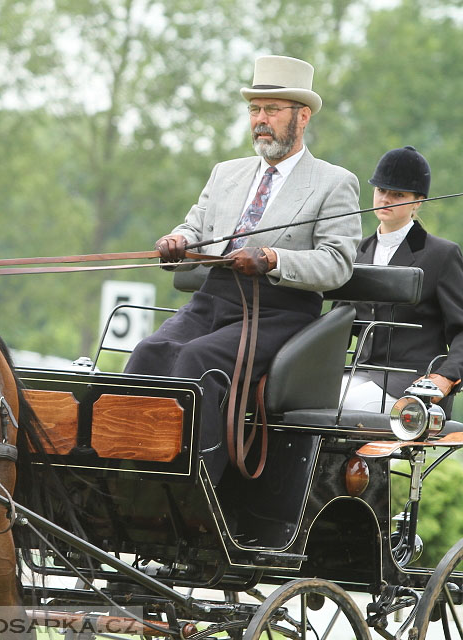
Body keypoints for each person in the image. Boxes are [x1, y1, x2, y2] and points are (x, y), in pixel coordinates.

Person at [123, 55, 362, 483]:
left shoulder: (334, 182)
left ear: (302, 116)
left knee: (198, 360)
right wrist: (175, 240)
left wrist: (273, 259)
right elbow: (194, 225)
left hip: (278, 310)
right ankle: (125, 473)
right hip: (213, 297)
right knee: (147, 355)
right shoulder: (226, 174)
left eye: (272, 110)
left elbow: (338, 263)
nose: (260, 120)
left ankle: (192, 488)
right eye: (255, 110)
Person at [340, 146, 463, 416]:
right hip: (359, 372)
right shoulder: (355, 252)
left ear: (417, 202)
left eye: (397, 194)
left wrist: (445, 377)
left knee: (345, 406)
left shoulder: (441, 255)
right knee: (306, 399)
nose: (385, 199)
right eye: (381, 190)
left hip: (412, 380)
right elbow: (336, 325)